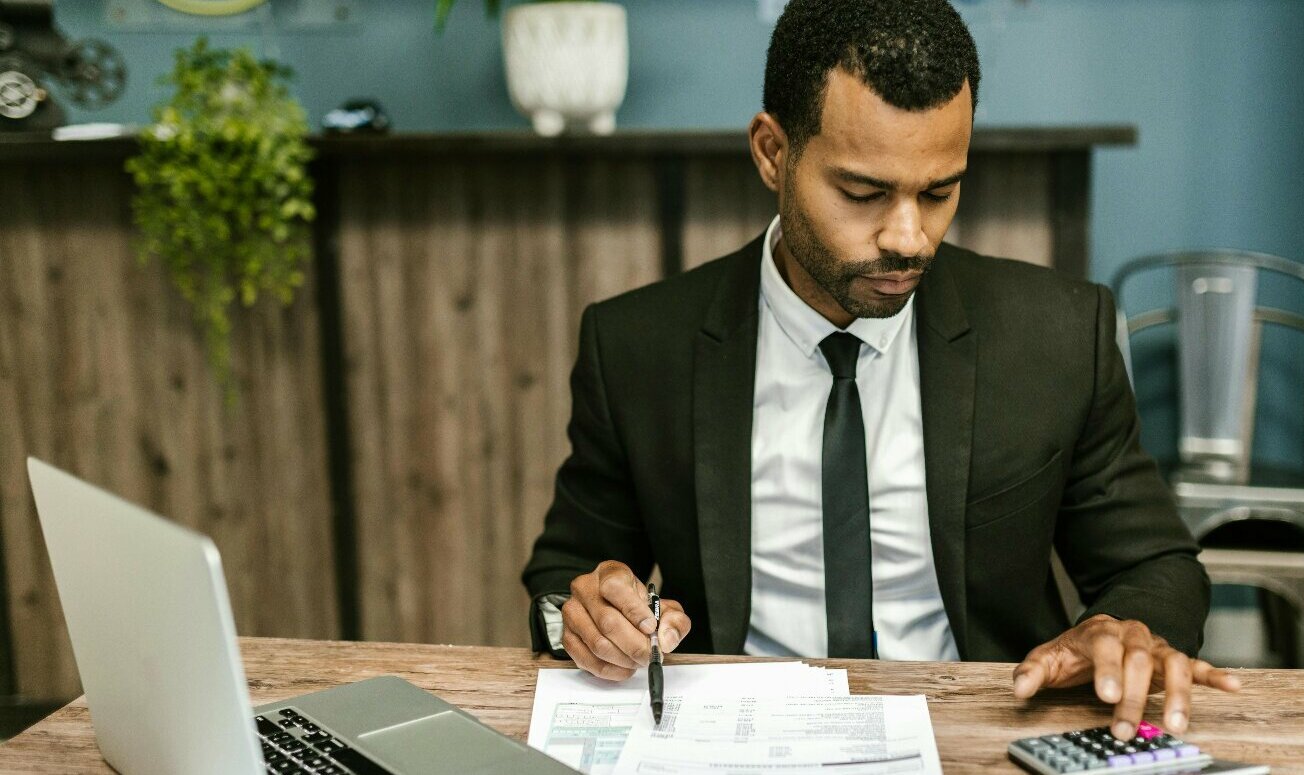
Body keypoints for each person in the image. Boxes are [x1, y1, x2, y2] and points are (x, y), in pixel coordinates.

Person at [523, 0, 1239, 742]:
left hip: (985, 733)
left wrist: (1122, 629)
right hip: (733, 740)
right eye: (863, 193)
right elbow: (562, 576)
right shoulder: (639, 346)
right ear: (773, 152)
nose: (909, 238)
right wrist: (587, 615)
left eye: (939, 192)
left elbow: (1157, 562)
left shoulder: (1058, 336)